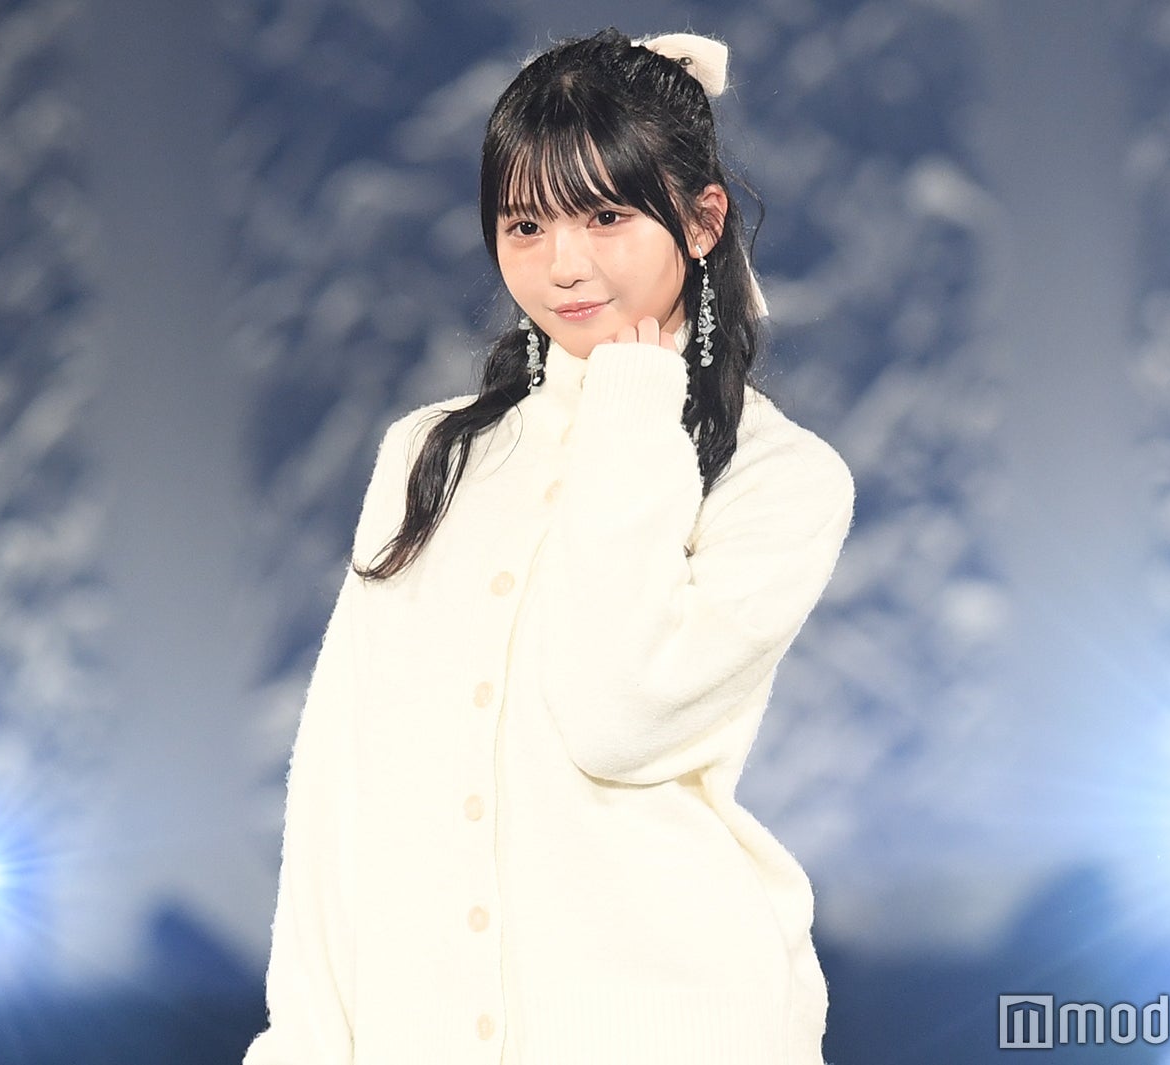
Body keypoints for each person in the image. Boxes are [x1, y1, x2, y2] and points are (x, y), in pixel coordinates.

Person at [243, 26, 855, 1065]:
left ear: (702, 220)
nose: (563, 264)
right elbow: (339, 780)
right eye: (525, 225)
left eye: (606, 216)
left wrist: (632, 401)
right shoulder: (429, 457)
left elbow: (616, 717)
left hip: (677, 1026)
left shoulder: (779, 476)